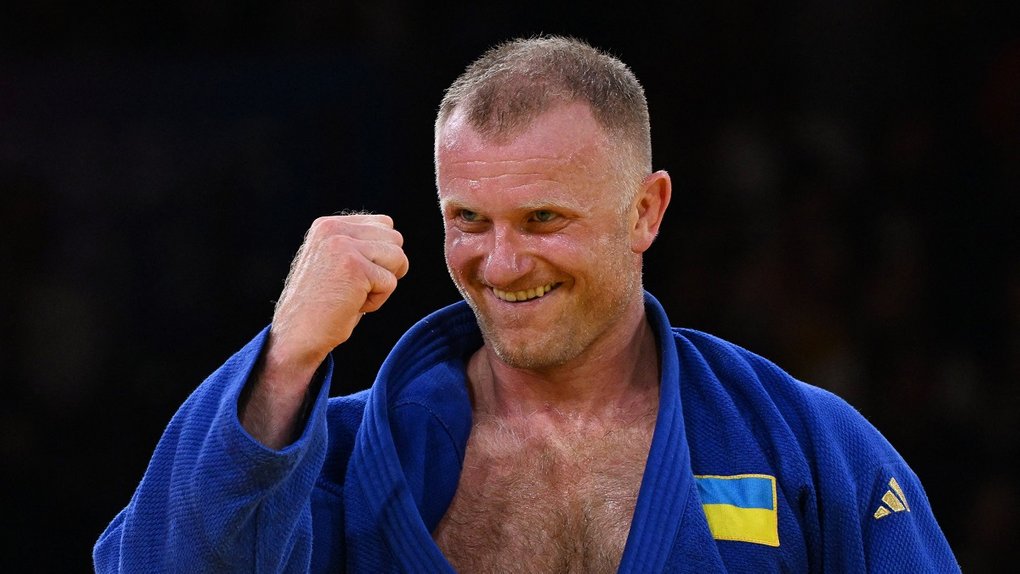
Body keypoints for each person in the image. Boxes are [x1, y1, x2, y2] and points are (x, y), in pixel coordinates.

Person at [94, 35, 960, 573]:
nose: (502, 264)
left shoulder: (806, 446)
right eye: (468, 220)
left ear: (645, 212)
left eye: (544, 218)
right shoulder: (342, 461)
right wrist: (286, 359)